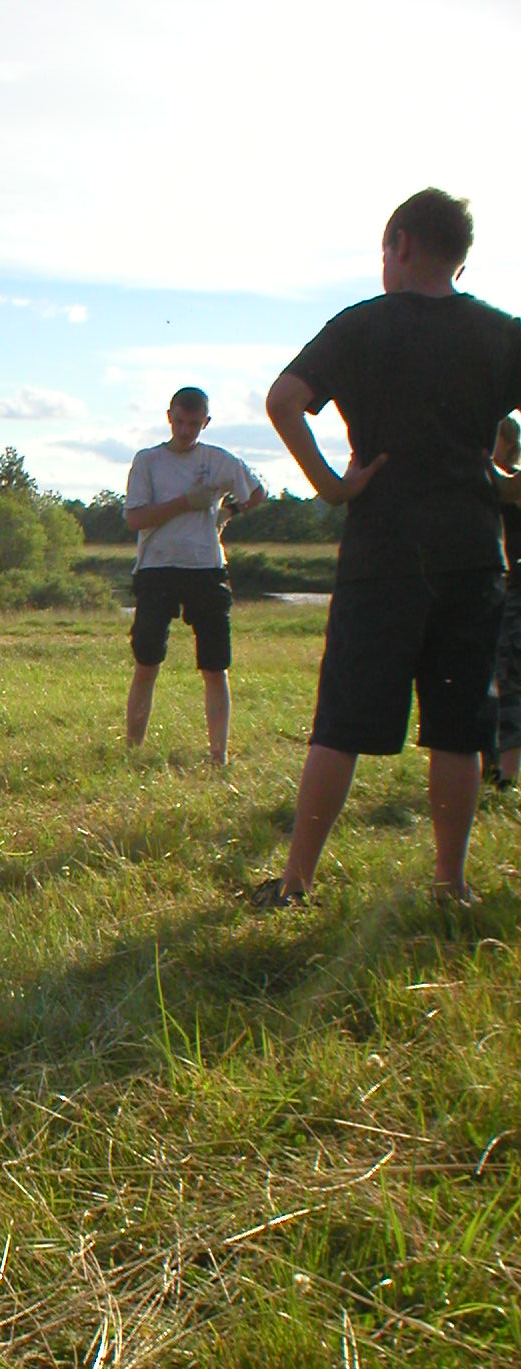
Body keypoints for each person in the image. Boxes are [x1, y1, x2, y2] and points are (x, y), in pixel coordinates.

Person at [255, 188, 521, 909]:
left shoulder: (361, 326)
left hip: (383, 554)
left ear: (401, 244)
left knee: (341, 724)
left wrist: (331, 487)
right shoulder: (502, 333)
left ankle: (296, 882)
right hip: (471, 552)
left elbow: (282, 399)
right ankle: (451, 884)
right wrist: (508, 482)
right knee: (459, 730)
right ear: (459, 257)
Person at [123, 387, 266, 764]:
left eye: (194, 424)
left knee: (215, 667)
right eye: (180, 422)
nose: (186, 431)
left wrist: (228, 512)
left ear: (206, 422)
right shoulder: (148, 461)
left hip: (205, 568)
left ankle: (218, 756)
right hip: (156, 568)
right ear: (168, 417)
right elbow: (135, 518)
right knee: (146, 663)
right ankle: (132, 750)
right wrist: (187, 503)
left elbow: (257, 492)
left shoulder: (218, 460)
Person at [484, 414, 521, 789]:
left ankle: (505, 776)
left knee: (509, 680)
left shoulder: (511, 483)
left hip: (513, 592)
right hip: (488, 590)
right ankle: (489, 765)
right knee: (484, 679)